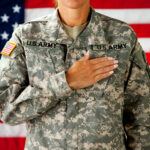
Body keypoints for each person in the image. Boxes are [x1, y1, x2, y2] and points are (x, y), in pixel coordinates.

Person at [0, 0, 150, 149]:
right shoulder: (27, 36)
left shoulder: (122, 36)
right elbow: (5, 108)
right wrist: (66, 81)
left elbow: (143, 115)